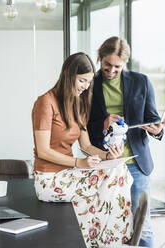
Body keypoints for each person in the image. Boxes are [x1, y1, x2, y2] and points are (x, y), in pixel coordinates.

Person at [32, 52, 133, 247]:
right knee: (112, 182)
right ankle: (112, 242)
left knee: (120, 170)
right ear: (69, 75)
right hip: (48, 180)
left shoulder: (78, 104)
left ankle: (102, 240)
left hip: (70, 173)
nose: (86, 86)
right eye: (82, 80)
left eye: (88, 82)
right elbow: (43, 150)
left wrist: (107, 154)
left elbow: (86, 146)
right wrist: (80, 163)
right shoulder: (45, 102)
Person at [87, 36, 165, 247]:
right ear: (99, 58)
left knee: (142, 225)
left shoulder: (141, 82)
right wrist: (104, 123)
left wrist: (157, 130)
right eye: (107, 65)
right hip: (104, 163)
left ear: (125, 64)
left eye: (117, 67)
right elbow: (83, 127)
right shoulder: (89, 85)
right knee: (105, 222)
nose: (111, 71)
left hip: (135, 164)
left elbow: (152, 119)